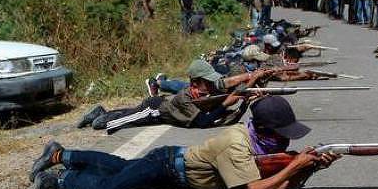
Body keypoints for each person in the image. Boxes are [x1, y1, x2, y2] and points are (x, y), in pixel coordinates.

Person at [32, 96, 340, 189]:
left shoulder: (257, 142)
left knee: (120, 167)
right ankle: (60, 179)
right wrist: (295, 165)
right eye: (281, 135)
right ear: (263, 129)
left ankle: (61, 154)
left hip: (174, 168)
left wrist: (308, 168)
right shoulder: (237, 144)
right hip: (166, 166)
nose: (286, 142)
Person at [83, 59, 275, 134]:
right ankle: (99, 115)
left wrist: (253, 80)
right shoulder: (185, 97)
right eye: (206, 82)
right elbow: (204, 122)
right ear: (194, 82)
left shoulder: (204, 91)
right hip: (154, 109)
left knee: (126, 113)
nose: (211, 86)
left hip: (162, 109)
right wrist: (227, 103)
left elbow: (230, 86)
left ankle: (102, 111)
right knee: (111, 124)